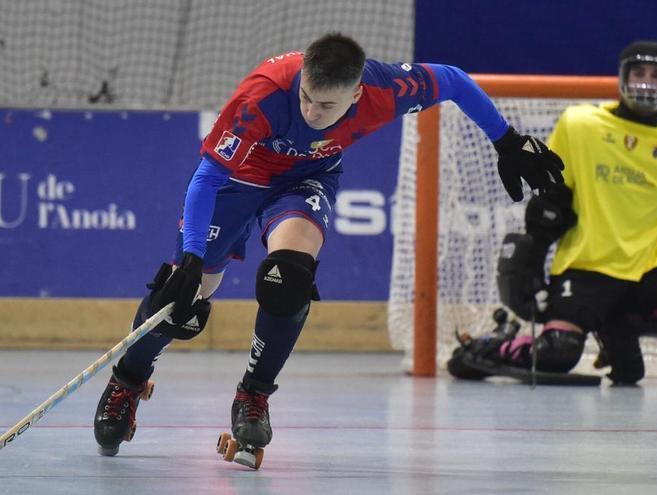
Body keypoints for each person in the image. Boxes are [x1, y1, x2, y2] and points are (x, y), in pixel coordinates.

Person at [92, 33, 564, 467]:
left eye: (326, 105)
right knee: (179, 299)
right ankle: (128, 380)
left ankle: (253, 395)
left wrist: (505, 141)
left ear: (357, 95)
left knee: (289, 279)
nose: (312, 113)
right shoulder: (263, 95)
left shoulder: (386, 90)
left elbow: (454, 81)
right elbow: (207, 178)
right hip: (239, 180)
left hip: (305, 180)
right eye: (306, 98)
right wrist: (192, 258)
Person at [451, 40, 657, 385]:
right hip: (587, 272)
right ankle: (493, 348)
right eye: (639, 73)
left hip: (648, 271)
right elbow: (551, 205)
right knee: (558, 351)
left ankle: (621, 324)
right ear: (622, 77)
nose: (647, 82)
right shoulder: (582, 125)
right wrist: (532, 263)